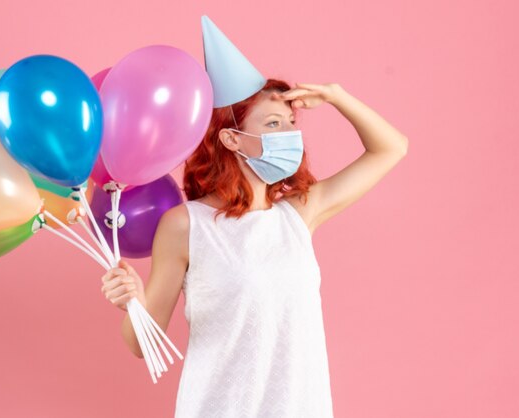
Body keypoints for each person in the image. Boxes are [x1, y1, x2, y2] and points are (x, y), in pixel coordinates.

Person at [100, 16, 408, 418]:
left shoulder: (299, 214)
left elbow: (392, 148)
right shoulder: (185, 225)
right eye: (274, 124)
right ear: (231, 138)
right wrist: (133, 303)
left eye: (292, 124)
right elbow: (144, 345)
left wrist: (337, 96)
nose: (289, 135)